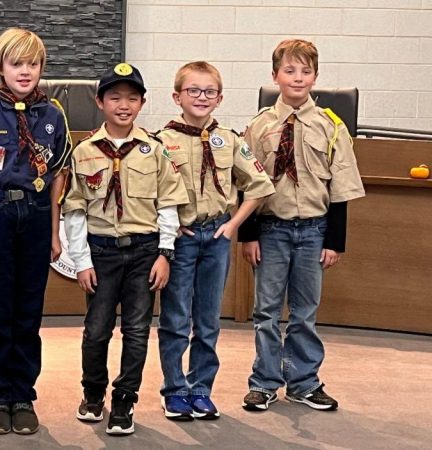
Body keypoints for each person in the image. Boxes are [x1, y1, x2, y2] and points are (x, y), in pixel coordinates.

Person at [0, 27, 71, 435]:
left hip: (37, 216)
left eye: (33, 64)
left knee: (28, 311)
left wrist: (55, 234)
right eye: (16, 63)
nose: (25, 72)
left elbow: (57, 178)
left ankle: (23, 395)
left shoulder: (53, 116)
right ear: (0, 66)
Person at [239, 39, 365, 412]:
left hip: (313, 231)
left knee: (304, 312)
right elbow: (245, 185)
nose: (297, 78)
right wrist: (248, 235)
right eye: (289, 70)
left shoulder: (332, 127)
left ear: (316, 76)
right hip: (271, 230)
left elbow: (340, 186)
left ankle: (302, 381)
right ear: (274, 75)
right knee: (265, 312)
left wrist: (335, 241)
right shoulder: (258, 127)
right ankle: (263, 382)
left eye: (305, 71)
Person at [63, 62, 189, 435]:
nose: (124, 105)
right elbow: (74, 210)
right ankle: (93, 393)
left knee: (136, 331)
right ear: (100, 101)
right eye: (115, 97)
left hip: (144, 252)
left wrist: (165, 254)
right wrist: (81, 261)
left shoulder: (155, 150)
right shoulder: (84, 151)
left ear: (143, 102)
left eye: (132, 98)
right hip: (101, 252)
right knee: (97, 330)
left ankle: (124, 400)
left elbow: (168, 205)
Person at [155, 61, 274, 421]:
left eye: (209, 92)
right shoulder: (161, 141)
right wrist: (170, 226)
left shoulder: (230, 140)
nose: (201, 97)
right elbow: (147, 192)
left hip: (216, 236)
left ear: (219, 98)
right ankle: (175, 390)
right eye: (193, 90)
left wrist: (234, 224)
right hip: (183, 239)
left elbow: (259, 185)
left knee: (207, 319)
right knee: (175, 319)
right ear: (177, 96)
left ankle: (201, 388)